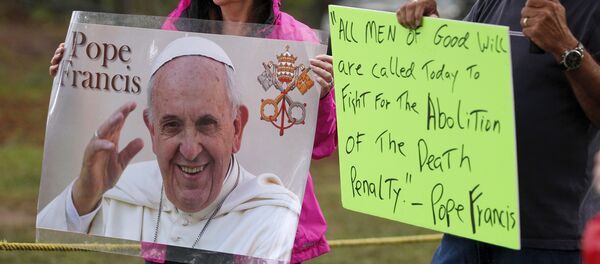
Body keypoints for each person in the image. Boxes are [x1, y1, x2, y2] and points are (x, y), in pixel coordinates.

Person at [49, 1, 336, 263]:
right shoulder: (178, 28)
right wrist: (77, 69)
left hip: (256, 226)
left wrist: (322, 98)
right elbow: (137, 83)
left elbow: (321, 145)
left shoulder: (296, 40)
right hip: (183, 219)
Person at [398, 0, 600, 262]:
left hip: (550, 238)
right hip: (469, 223)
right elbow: (461, 77)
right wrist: (433, 33)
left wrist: (565, 47)